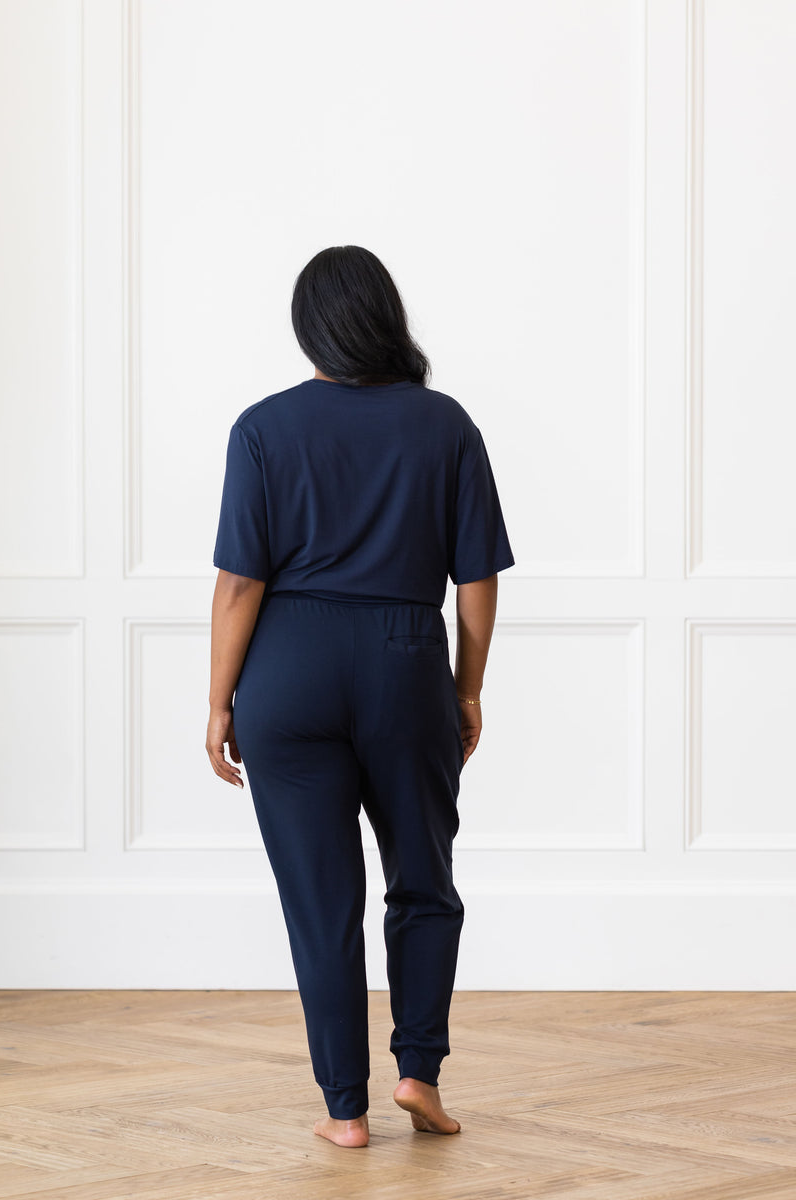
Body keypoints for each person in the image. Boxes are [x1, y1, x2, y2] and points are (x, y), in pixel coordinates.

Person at [206, 245, 515, 1149]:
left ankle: (346, 1111)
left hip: (287, 671)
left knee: (321, 902)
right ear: (387, 319)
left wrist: (221, 701)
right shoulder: (445, 425)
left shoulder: (263, 428)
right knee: (423, 881)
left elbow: (237, 586)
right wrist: (466, 689)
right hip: (403, 658)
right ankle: (417, 1069)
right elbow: (479, 578)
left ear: (310, 328)